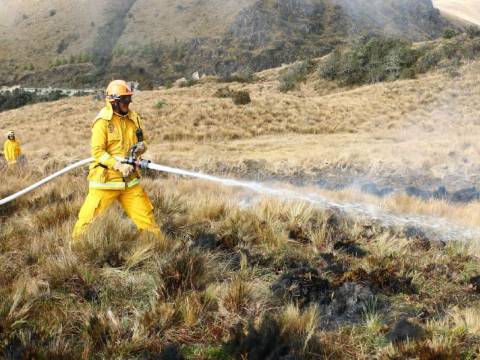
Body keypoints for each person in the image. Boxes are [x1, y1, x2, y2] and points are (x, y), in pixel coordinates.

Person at [72, 80, 161, 239]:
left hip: (130, 181)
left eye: (129, 99)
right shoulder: (102, 122)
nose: (129, 103)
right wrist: (118, 165)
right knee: (87, 222)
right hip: (106, 181)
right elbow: (97, 152)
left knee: (147, 220)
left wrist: (141, 147)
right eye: (125, 100)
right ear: (113, 101)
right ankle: (77, 248)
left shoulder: (134, 118)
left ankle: (158, 248)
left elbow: (143, 141)